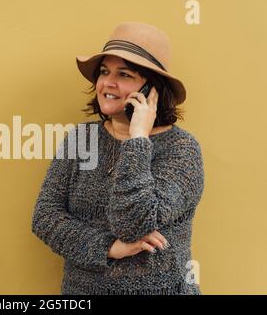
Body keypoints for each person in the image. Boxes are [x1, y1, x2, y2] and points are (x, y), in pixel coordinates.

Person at [31, 21, 204, 295]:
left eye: (124, 74)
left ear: (152, 90)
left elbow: (133, 222)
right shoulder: (82, 139)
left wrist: (138, 139)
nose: (107, 83)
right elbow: (45, 216)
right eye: (104, 72)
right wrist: (109, 247)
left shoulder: (181, 150)